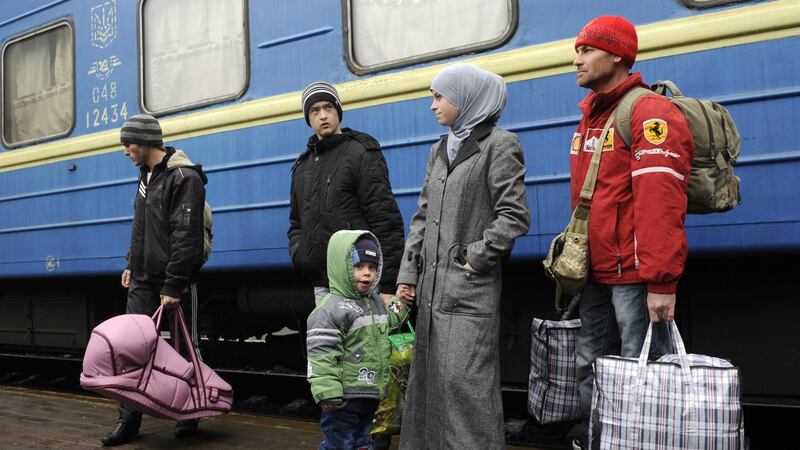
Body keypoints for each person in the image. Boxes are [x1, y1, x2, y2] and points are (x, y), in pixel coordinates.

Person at [567, 16, 695, 449]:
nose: (576, 60)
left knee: (642, 371)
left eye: (586, 50)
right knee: (590, 366)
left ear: (618, 55)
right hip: (597, 272)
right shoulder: (590, 117)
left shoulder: (650, 112)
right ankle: (596, 440)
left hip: (636, 275)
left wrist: (662, 280)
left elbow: (661, 204)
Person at [395, 63, 530, 449]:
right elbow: (422, 215)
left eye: (439, 97)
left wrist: (476, 257)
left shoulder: (500, 145)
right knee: (430, 388)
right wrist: (408, 274)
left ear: (467, 98)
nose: (433, 106)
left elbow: (514, 216)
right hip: (433, 292)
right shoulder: (439, 149)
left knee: (465, 390)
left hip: (469, 291)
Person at [102, 114, 208, 446]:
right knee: (132, 348)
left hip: (175, 281)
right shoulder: (145, 176)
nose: (124, 151)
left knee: (185, 349)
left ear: (146, 142)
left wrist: (174, 284)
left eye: (127, 144)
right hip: (143, 278)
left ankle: (190, 413)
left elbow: (186, 237)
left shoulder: (185, 177)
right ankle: (128, 420)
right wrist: (132, 264)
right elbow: (140, 226)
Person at [288, 81, 405, 304]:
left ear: (338, 111)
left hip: (361, 280)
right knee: (327, 339)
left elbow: (385, 218)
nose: (323, 115)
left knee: (366, 339)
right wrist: (300, 253)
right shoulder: (302, 168)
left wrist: (389, 282)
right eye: (315, 111)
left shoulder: (361, 152)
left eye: (328, 108)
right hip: (322, 282)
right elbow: (296, 223)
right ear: (308, 119)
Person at [307, 230, 410, 449]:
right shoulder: (331, 309)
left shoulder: (374, 303)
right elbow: (321, 353)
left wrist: (401, 301)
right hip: (343, 399)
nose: (367, 274)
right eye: (359, 266)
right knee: (339, 444)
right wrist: (327, 392)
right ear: (341, 267)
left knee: (363, 442)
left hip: (370, 395)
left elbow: (391, 319)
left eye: (372, 268)